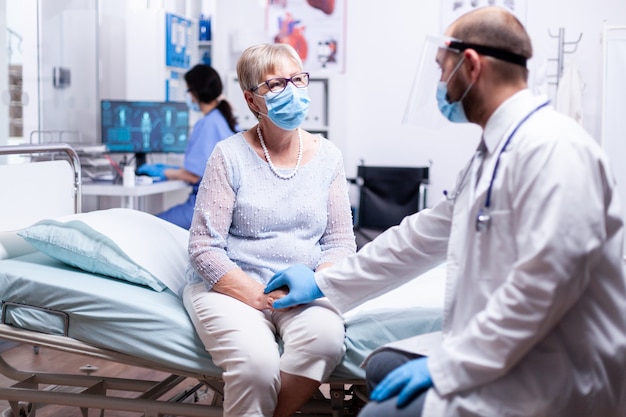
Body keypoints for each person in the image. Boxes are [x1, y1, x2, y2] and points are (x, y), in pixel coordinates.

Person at [265, 6, 626, 417]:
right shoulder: (494, 152)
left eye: (442, 69)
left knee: (380, 412)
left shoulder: (555, 150)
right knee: (382, 365)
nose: (439, 84)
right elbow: (420, 238)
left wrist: (451, 365)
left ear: (470, 65)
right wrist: (324, 282)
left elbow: (545, 285)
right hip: (514, 351)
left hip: (557, 374)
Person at [182, 43, 356, 417]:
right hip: (232, 287)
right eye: (276, 85)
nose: (291, 91)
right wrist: (258, 295)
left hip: (303, 289)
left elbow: (340, 242)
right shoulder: (228, 155)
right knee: (256, 367)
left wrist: (319, 282)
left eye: (297, 79)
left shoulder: (328, 157)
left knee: (324, 341)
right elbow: (203, 247)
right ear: (251, 100)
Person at [137, 64, 238, 229]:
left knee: (148, 226)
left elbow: (193, 176)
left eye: (188, 91)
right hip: (221, 206)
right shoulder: (224, 118)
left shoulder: (207, 124)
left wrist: (163, 171)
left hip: (206, 207)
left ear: (194, 93)